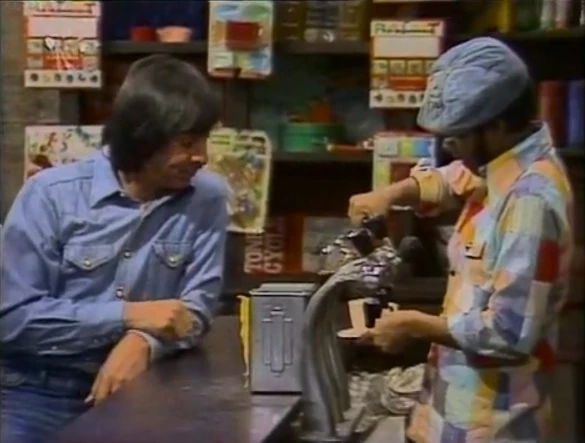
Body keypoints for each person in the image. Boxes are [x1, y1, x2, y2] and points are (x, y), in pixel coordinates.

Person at [348, 37, 574, 443]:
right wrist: (390, 195)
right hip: (451, 414)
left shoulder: (531, 200)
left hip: (495, 427)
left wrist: (414, 325)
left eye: (457, 136)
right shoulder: (501, 162)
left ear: (497, 126)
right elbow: (454, 179)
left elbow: (509, 333)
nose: (448, 147)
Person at [0, 55, 228, 442]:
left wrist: (143, 341)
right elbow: (12, 318)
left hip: (144, 387)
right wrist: (127, 316)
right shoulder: (50, 195)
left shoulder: (207, 198)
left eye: (205, 140)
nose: (202, 156)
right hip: (35, 390)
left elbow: (196, 307)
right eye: (187, 143)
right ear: (143, 137)